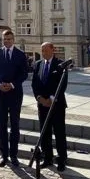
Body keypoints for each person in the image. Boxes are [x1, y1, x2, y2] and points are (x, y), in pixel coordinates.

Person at [0, 29, 28, 167]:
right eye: (5, 39)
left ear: (14, 39)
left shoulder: (20, 54)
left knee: (15, 125)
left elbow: (24, 74)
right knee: (2, 125)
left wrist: (12, 85)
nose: (7, 41)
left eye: (9, 39)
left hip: (15, 93)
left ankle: (14, 155)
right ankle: (4, 155)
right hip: (0, 93)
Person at [30, 41, 69, 172]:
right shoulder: (38, 64)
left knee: (59, 132)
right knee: (44, 132)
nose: (44, 53)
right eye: (42, 51)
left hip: (56, 105)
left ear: (53, 50)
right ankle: (47, 158)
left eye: (46, 50)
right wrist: (40, 98)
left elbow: (62, 84)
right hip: (42, 105)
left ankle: (62, 159)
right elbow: (34, 83)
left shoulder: (61, 64)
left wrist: (52, 99)